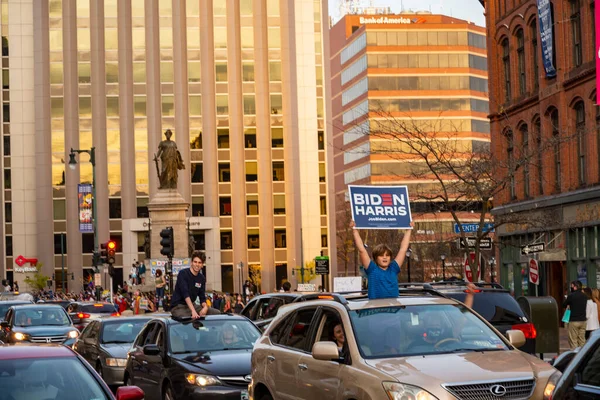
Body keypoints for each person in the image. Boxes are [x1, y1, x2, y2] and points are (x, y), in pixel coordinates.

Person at [351, 220, 413, 299]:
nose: (385, 257)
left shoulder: (393, 268)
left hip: (394, 308)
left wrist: (409, 229)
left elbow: (403, 249)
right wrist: (354, 230)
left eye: (387, 255)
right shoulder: (372, 269)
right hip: (376, 309)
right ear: (376, 258)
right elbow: (362, 250)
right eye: (381, 255)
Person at [170, 251, 219, 319]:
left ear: (202, 265)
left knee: (217, 313)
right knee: (187, 319)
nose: (197, 264)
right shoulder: (183, 274)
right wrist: (193, 311)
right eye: (195, 262)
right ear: (191, 263)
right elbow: (185, 294)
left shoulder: (201, 278)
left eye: (199, 262)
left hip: (193, 306)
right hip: (178, 307)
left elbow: (202, 297)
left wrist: (205, 307)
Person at [563, 280, 588, 349]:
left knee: (573, 341)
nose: (571, 288)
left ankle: (575, 356)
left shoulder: (571, 296)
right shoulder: (585, 296)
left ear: (575, 287)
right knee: (582, 340)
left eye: (572, 286)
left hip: (574, 321)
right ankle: (583, 355)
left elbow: (564, 305)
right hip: (583, 320)